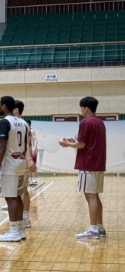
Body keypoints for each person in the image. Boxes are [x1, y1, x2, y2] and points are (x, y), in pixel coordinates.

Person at [59, 97, 107, 239]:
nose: (81, 111)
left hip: (88, 164)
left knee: (90, 196)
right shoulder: (100, 123)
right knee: (95, 196)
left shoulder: (85, 122)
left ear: (86, 108)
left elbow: (81, 145)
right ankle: (99, 227)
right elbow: (86, 142)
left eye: (81, 108)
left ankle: (93, 229)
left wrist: (66, 144)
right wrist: (73, 141)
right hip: (98, 164)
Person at [0, 96, 36, 242]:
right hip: (21, 164)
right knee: (17, 196)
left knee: (10, 197)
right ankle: (19, 229)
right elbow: (27, 145)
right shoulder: (24, 123)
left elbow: (2, 146)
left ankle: (13, 231)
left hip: (10, 165)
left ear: (4, 106)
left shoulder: (4, 122)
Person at [14, 100, 32, 228]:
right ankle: (22, 219)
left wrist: (29, 159)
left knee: (21, 191)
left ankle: (23, 219)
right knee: (20, 191)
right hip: (19, 161)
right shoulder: (23, 124)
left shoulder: (20, 124)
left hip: (19, 161)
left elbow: (28, 144)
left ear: (16, 110)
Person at [27, 119, 39, 185]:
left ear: (29, 124)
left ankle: (34, 179)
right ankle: (30, 179)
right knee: (28, 165)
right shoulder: (25, 131)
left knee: (33, 164)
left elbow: (36, 140)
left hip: (32, 150)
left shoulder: (31, 130)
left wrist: (34, 148)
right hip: (28, 150)